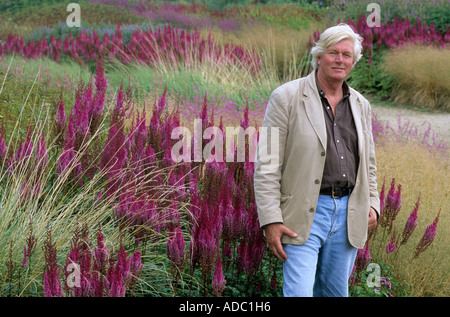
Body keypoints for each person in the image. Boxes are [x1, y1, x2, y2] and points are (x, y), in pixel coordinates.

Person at [254, 23, 380, 297]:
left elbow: (368, 164)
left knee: (335, 292)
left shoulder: (361, 105)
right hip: (301, 214)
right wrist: (271, 220)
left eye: (347, 55)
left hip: (348, 215)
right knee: (299, 292)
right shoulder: (286, 97)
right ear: (319, 56)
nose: (340, 59)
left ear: (354, 62)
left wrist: (372, 204)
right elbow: (267, 165)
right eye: (333, 52)